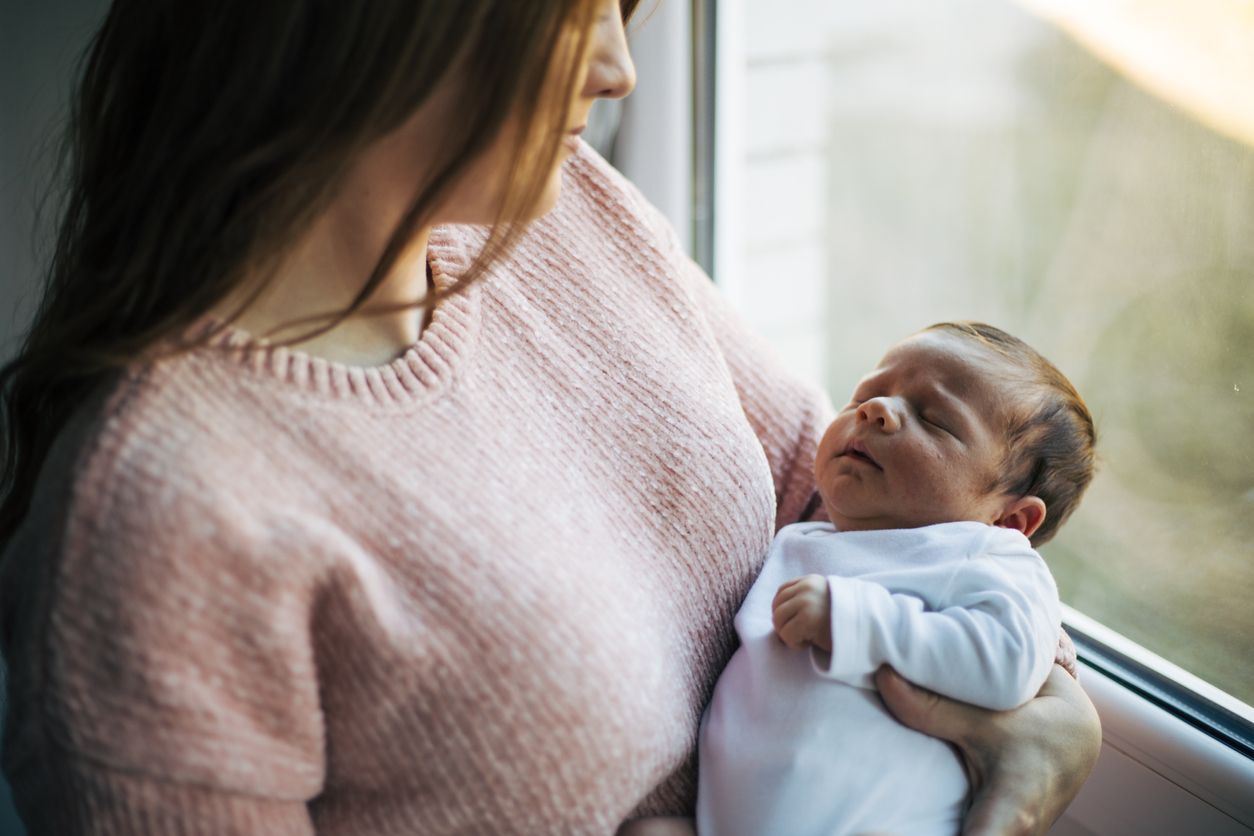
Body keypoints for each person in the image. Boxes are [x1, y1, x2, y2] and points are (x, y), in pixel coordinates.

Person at [0, 1, 1100, 833]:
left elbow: (886, 516)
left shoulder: (568, 211)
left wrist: (1049, 725)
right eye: (579, 14)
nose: (619, 70)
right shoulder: (158, 518)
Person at [692, 322, 1096, 836]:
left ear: (1010, 520)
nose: (875, 411)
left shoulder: (988, 555)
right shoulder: (802, 536)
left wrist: (860, 622)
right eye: (867, 394)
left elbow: (1008, 658)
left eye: (935, 419)